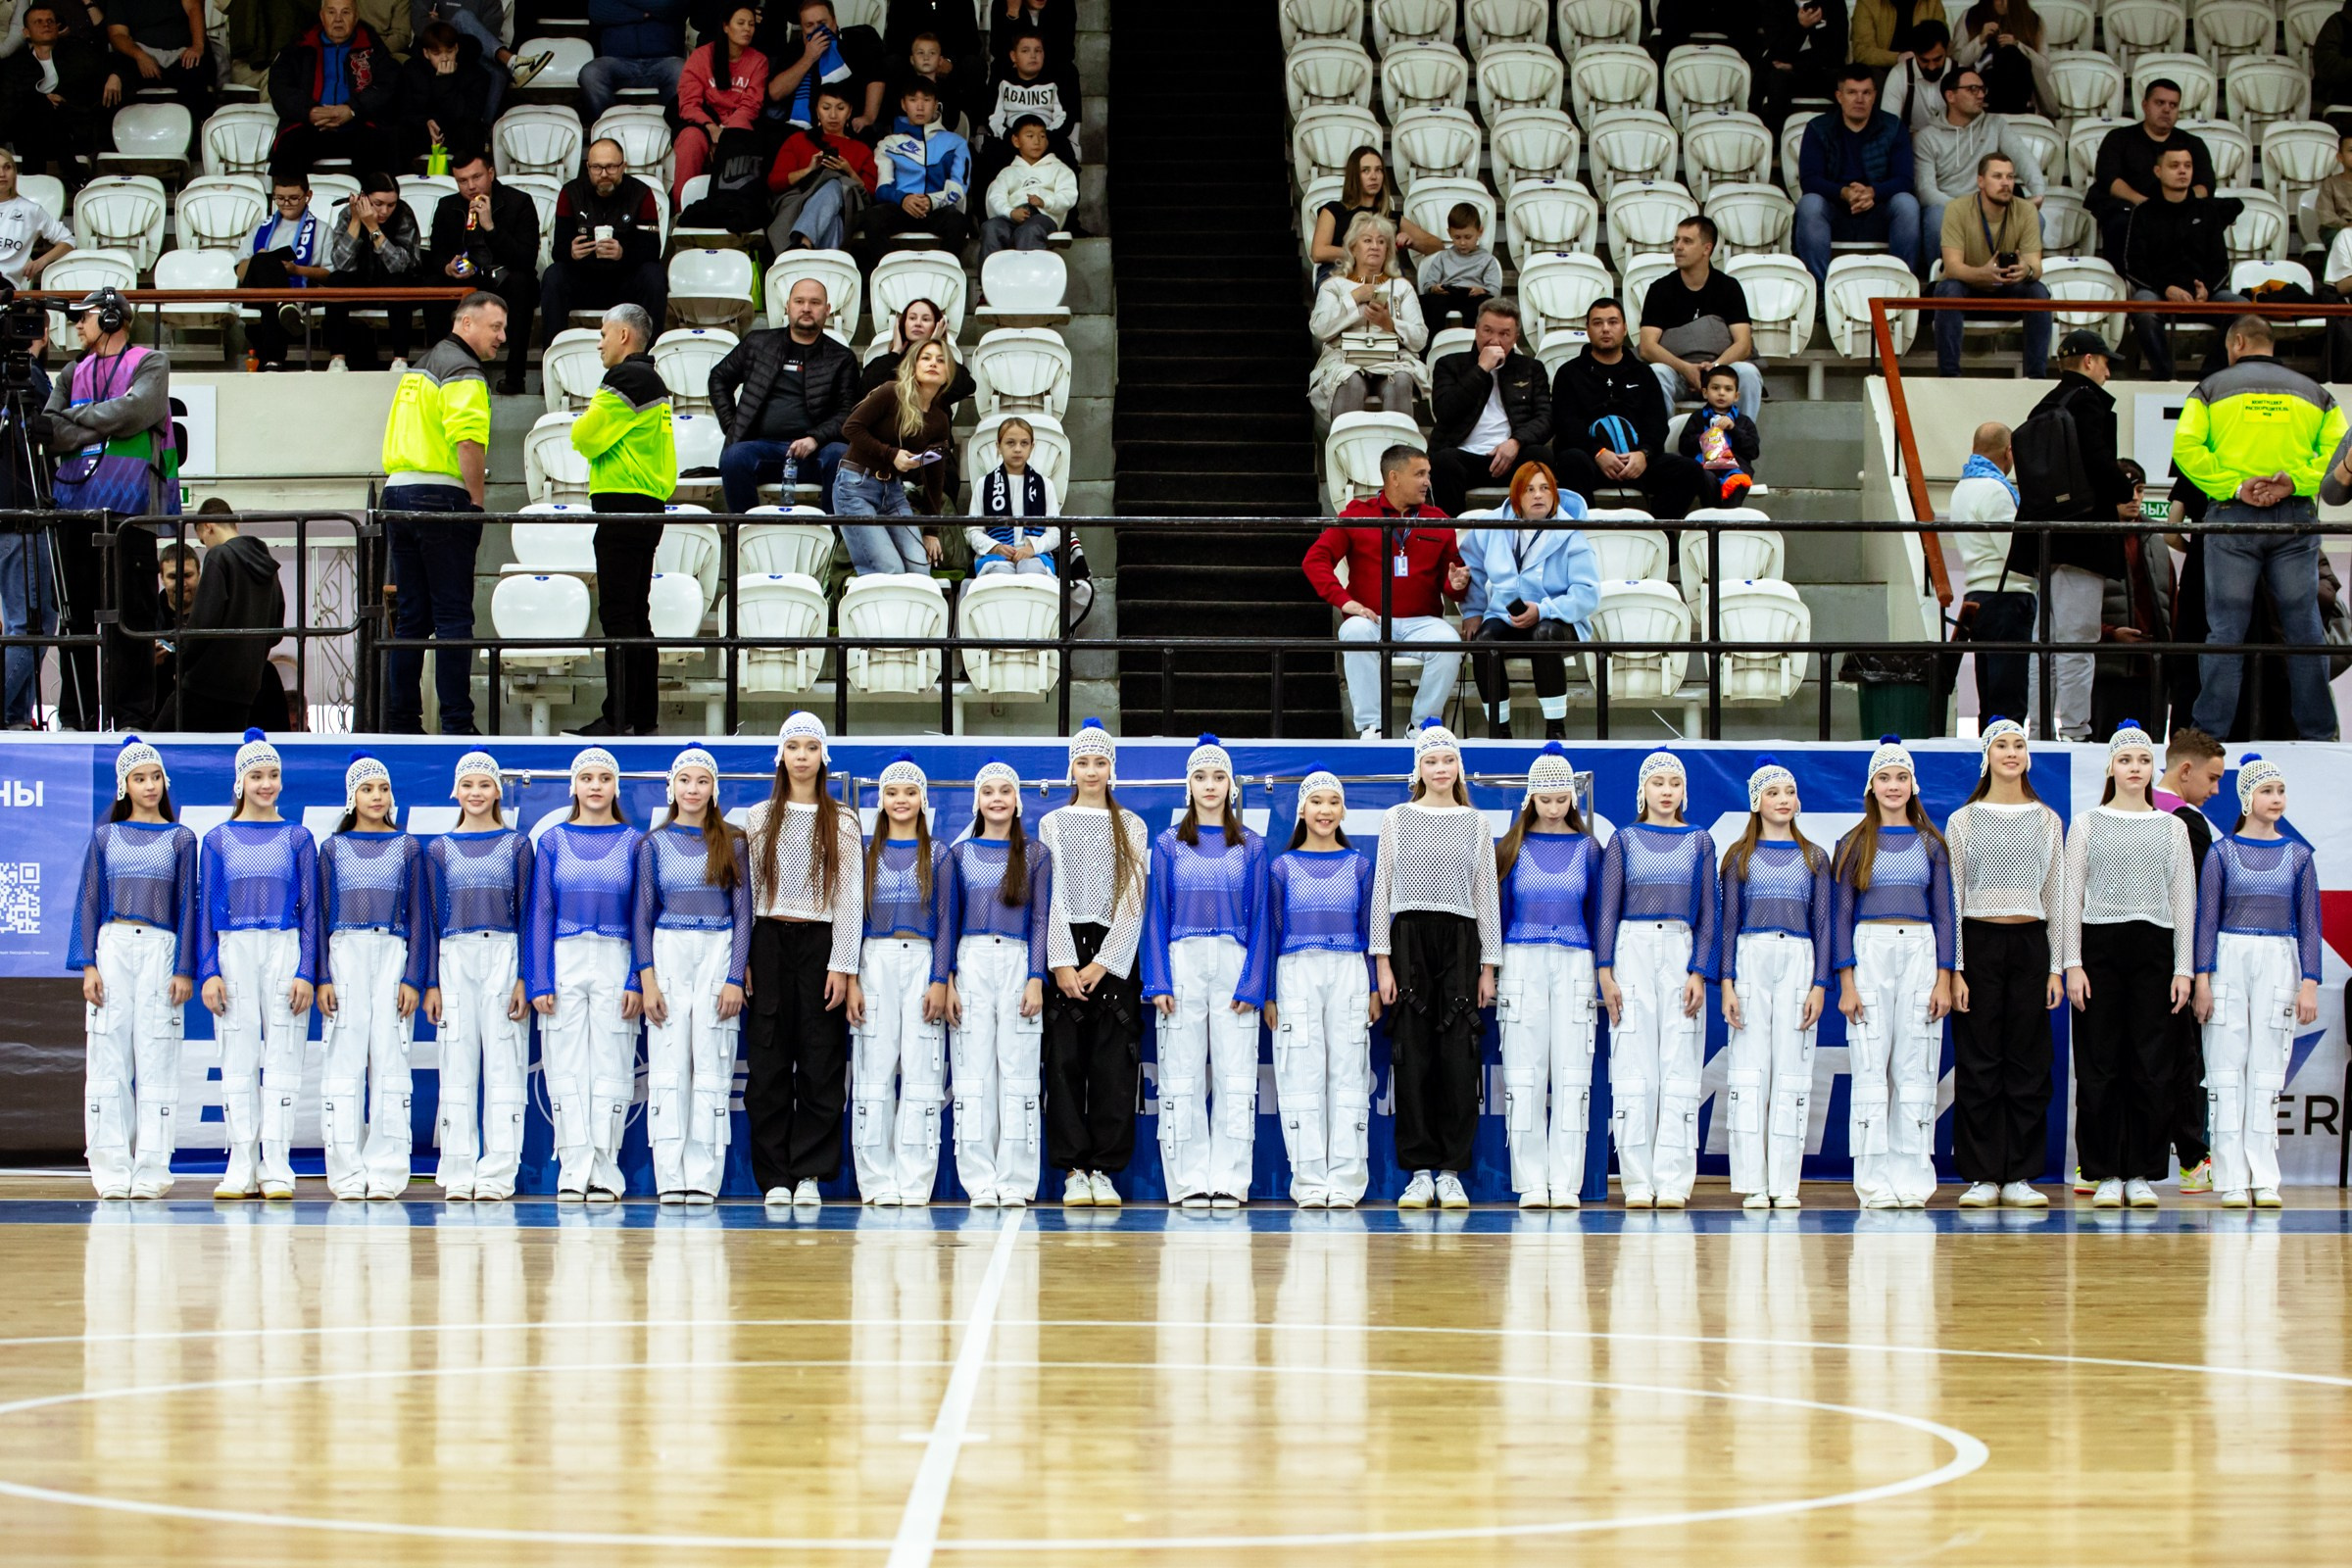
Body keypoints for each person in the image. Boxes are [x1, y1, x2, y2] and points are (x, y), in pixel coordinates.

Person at [2179, 317, 2346, 741]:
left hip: (2232, 519)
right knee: (2304, 626)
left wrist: (2236, 486)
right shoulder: (2317, 394)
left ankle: (2209, 735)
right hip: (2295, 519)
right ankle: (2319, 734)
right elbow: (2338, 454)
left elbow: (2187, 449)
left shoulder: (2210, 390)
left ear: (2237, 341)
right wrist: (2294, 481)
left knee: (2226, 630)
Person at [2060, 720, 2197, 1209]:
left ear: (2153, 768)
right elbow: (2069, 895)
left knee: (2152, 1063)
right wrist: (2071, 963)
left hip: (2154, 951)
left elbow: (2184, 901)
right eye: (2125, 760)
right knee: (2098, 1063)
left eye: (2142, 760)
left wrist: (2183, 968)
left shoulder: (2173, 827)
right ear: (2111, 767)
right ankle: (2101, 1171)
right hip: (2098, 947)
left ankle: (2140, 1171)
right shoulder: (2088, 823)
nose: (2134, 768)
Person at [1375, 719, 1501, 1210]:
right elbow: (1382, 891)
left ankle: (1451, 1172)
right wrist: (1383, 962)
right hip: (1407, 941)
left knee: (1458, 1058)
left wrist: (1487, 966)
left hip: (1461, 941)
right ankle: (1419, 1172)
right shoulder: (1397, 818)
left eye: (1448, 759)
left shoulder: (1475, 823)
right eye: (1431, 760)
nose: (1440, 768)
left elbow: (1485, 896)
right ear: (1419, 768)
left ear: (1459, 767)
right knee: (1412, 1058)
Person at [1140, 736, 1270, 1209]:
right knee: (1181, 1074)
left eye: (1218, 777)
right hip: (1182, 960)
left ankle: (1232, 1180)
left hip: (1234, 961)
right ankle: (1189, 1179)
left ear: (1231, 786)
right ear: (1188, 786)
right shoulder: (1168, 844)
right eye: (1201, 777)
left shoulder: (1252, 846)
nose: (1209, 786)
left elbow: (1260, 920)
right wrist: (1158, 980)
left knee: (1237, 1075)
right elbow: (1154, 914)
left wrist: (1254, 983)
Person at [744, 712, 864, 1206]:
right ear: (781, 755)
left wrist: (843, 964)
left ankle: (811, 1172)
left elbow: (851, 897)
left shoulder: (844, 820)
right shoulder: (757, 817)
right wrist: (744, 957)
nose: (801, 756)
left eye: (810, 747)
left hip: (821, 943)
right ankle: (775, 1176)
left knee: (820, 1061)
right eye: (792, 746)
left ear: (823, 757)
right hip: (769, 940)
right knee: (769, 1063)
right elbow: (748, 893)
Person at [69, 738, 197, 1200]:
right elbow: (89, 900)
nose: (148, 786)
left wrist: (184, 967)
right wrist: (87, 965)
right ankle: (110, 1168)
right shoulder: (105, 837)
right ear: (124, 786)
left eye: (154, 777)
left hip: (161, 948)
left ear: (165, 782)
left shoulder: (182, 838)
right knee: (108, 1059)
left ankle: (152, 1168)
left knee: (158, 1055)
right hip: (114, 945)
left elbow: (187, 906)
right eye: (138, 778)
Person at [1246, 766, 1378, 1209]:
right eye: (1316, 802)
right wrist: (1267, 994)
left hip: (1348, 972)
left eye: (1333, 802)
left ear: (1343, 810)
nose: (1325, 811)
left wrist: (1375, 986)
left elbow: (1370, 932)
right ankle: (1308, 1179)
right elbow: (1272, 931)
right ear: (1302, 809)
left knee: (1349, 1074)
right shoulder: (1281, 867)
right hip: (1295, 971)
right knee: (1300, 1074)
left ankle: (1346, 1177)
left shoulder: (1359, 865)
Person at [1943, 719, 2063, 1209]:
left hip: (2031, 943)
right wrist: (1956, 968)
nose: (2010, 752)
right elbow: (1952, 897)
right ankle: (1983, 1174)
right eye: (2001, 745)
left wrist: (2056, 966)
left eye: (2019, 745)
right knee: (1979, 1060)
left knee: (2028, 1061)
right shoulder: (1963, 820)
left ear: (2028, 756)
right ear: (1986, 756)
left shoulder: (2046, 819)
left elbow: (2055, 894)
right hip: (1978, 940)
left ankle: (2020, 1175)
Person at [195, 730, 319, 1200]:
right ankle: (240, 1165)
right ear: (239, 781)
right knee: (237, 1058)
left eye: (272, 775)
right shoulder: (218, 840)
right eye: (256, 775)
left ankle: (277, 1165)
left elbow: (310, 910)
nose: (265, 784)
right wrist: (209, 970)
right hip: (234, 951)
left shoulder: (297, 837)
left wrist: (307, 970)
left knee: (284, 1057)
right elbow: (206, 910)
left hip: (284, 948)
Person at [1832, 735, 1954, 1208]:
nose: (1893, 786)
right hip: (1869, 951)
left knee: (1916, 1067)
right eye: (1885, 777)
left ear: (1913, 784)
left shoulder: (1931, 842)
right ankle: (1874, 1180)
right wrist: (1846, 980)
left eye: (1901, 777)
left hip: (1920, 951)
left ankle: (1914, 1177)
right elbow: (1841, 916)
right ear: (1871, 785)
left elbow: (1944, 915)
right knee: (1870, 1066)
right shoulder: (1853, 843)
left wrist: (1944, 977)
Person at [2191, 754, 2319, 1208]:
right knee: (2226, 1071)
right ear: (2247, 798)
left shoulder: (2298, 857)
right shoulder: (2222, 854)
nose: (2276, 799)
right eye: (2267, 791)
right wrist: (2202, 979)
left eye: (2280, 791)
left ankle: (2264, 1177)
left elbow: (2309, 924)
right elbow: (2205, 920)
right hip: (2229, 957)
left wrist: (2309, 982)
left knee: (2267, 1073)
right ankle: (2229, 1178)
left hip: (2279, 959)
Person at [46, 285, 175, 731]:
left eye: (84, 317)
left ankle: (132, 719)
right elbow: (50, 430)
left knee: (132, 621)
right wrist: (106, 417)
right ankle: (76, 718)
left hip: (131, 514)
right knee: (76, 621)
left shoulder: (150, 362)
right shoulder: (68, 372)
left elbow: (138, 411)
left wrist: (80, 418)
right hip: (74, 511)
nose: (76, 325)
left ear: (109, 319)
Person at [1594, 751, 1719, 1208]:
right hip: (1632, 949)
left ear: (1684, 791)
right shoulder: (1623, 840)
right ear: (1642, 790)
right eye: (1658, 783)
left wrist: (1699, 971)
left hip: (1681, 950)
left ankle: (1673, 1181)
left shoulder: (1700, 841)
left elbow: (1709, 914)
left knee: (1680, 1069)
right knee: (1634, 1069)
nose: (1666, 791)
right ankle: (1636, 1181)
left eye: (1674, 783)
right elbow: (1607, 908)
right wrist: (1605, 971)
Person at [379, 289, 504, 736]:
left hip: (397, 493)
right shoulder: (464, 371)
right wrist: (476, 504)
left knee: (411, 617)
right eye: (495, 327)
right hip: (441, 496)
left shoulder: (421, 366)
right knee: (453, 617)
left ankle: (401, 722)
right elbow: (469, 440)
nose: (503, 337)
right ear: (465, 323)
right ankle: (457, 723)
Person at [1037, 718, 1151, 1207]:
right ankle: (1073, 1170)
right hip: (1065, 948)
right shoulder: (1052, 824)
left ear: (1112, 769)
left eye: (1099, 762)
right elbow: (1052, 895)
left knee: (1112, 1066)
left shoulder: (1132, 826)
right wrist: (1062, 963)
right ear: (1071, 769)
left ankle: (1103, 1168)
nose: (1091, 771)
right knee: (1063, 1063)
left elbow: (1133, 899)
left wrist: (1104, 963)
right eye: (1082, 762)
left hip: (1114, 957)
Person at [633, 747, 752, 1203]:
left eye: (702, 781)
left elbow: (744, 915)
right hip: (668, 954)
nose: (693, 790)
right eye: (685, 781)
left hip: (718, 952)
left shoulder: (734, 841)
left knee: (712, 1066)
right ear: (672, 788)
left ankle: (703, 1176)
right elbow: (643, 915)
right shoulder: (653, 844)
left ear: (714, 789)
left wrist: (735, 977)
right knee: (668, 1068)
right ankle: (670, 1176)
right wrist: (647, 980)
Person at [524, 748, 643, 1200]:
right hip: (564, 958)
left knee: (613, 1065)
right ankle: (573, 1167)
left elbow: (641, 916)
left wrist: (636, 977)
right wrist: (539, 979)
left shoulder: (634, 842)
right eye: (587, 778)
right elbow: (540, 912)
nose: (595, 786)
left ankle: (606, 1169)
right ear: (574, 786)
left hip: (616, 956)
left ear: (616, 787)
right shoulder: (552, 841)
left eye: (604, 778)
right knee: (565, 1067)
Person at [1715, 758, 1831, 1209]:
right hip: (1750, 958)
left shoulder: (1814, 856)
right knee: (1749, 1069)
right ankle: (1753, 1183)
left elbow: (1823, 925)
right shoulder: (1739, 857)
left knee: (1792, 1071)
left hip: (1799, 958)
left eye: (1789, 792)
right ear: (1756, 802)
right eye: (1773, 793)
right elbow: (1728, 926)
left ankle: (1785, 1183)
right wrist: (1726, 983)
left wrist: (1820, 983)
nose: (1783, 800)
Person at [315, 754, 431, 1201]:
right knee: (343, 1063)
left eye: (382, 789)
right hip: (345, 953)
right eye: (367, 789)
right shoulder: (333, 849)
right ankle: (345, 1171)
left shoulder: (408, 847)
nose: (376, 797)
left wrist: (413, 979)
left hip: (392, 954)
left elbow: (420, 916)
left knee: (391, 1062)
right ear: (352, 797)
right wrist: (323, 976)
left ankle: (386, 1169)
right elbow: (321, 916)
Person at [1491, 743, 1602, 1209]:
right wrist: (1491, 971)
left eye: (1562, 799)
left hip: (1576, 961)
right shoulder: (1509, 849)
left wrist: (1602, 972)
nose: (1554, 808)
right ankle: (1532, 1181)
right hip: (1521, 962)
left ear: (1573, 800)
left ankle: (1566, 1183)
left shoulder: (1588, 848)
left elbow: (1598, 914)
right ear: (1530, 799)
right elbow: (1496, 915)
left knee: (1573, 1074)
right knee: (1524, 1074)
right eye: (1545, 799)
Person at [2013, 329, 2135, 741]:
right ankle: (2078, 730)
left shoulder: (2044, 404)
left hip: (2042, 537)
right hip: (2083, 536)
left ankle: (2040, 726)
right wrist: (2123, 488)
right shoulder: (2088, 402)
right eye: (2104, 362)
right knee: (2078, 640)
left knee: (2043, 640)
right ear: (2088, 361)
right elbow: (2099, 463)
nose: (2107, 372)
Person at [421, 750, 533, 1201]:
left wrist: (525, 977)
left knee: (505, 1066)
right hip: (454, 955)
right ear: (456, 791)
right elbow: (429, 920)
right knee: (457, 1065)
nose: (476, 793)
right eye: (467, 785)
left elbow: (528, 915)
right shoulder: (438, 849)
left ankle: (498, 1172)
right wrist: (430, 982)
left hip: (503, 952)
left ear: (497, 791)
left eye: (484, 785)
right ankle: (459, 1168)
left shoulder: (516, 846)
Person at [1301, 444, 1468, 741]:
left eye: (1428, 474)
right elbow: (1315, 560)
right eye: (1420, 474)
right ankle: (1371, 728)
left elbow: (1451, 581)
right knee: (1353, 631)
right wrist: (1345, 601)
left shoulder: (1438, 519)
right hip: (1373, 619)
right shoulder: (1358, 515)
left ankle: (1422, 728)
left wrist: (1455, 585)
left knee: (1449, 642)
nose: (1427, 481)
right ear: (1394, 477)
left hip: (1423, 621)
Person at [943, 758, 1053, 1207]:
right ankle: (979, 1180)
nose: (997, 799)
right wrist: (945, 978)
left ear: (1017, 800)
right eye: (988, 792)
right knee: (972, 1076)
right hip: (970, 963)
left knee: (1020, 1075)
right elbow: (947, 922)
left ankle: (1017, 1180)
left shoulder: (1037, 854)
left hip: (1018, 960)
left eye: (1004, 791)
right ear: (977, 801)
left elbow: (1043, 918)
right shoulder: (959, 854)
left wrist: (1036, 977)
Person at [848, 758, 955, 1206]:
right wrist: (851, 977)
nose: (901, 800)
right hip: (874, 961)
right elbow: (851, 919)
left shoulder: (941, 855)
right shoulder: (864, 852)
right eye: (893, 793)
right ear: (881, 800)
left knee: (924, 1075)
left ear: (923, 800)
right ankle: (875, 1181)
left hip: (923, 962)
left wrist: (939, 979)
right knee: (872, 1073)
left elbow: (948, 922)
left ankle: (914, 1181)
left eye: (910, 792)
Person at [570, 303, 676, 738]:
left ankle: (618, 717)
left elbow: (584, 436)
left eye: (602, 332)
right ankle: (639, 716)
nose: (598, 342)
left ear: (624, 336)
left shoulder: (627, 378)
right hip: (644, 506)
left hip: (624, 507)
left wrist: (584, 423)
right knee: (636, 615)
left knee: (618, 615)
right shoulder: (649, 378)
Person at [1456, 462, 1596, 741]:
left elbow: (1586, 593)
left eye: (1545, 488)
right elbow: (1470, 567)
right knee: (1483, 642)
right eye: (1530, 489)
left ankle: (1556, 729)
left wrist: (1544, 609)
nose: (1538, 496)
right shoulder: (1490, 526)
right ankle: (1499, 729)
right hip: (1505, 614)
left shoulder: (1572, 534)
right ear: (1516, 496)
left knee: (1543, 634)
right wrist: (1472, 611)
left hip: (1557, 618)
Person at [711, 277, 860, 513]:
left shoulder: (841, 358)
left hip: (815, 452)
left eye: (815, 302)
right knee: (734, 457)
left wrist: (815, 439)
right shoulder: (757, 343)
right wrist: (732, 426)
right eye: (799, 301)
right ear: (787, 306)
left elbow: (848, 412)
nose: (806, 308)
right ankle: (747, 534)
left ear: (828, 310)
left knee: (841, 456)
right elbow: (719, 377)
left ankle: (830, 539)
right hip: (763, 447)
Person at [1549, 297, 1704, 515]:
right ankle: (1586, 537)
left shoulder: (1643, 373)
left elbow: (1657, 424)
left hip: (1637, 461)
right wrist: (1598, 452)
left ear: (1624, 328)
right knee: (1571, 461)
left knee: (1690, 471)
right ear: (1587, 329)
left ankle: (1655, 534)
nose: (1605, 329)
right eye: (1597, 323)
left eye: (1613, 322)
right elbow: (1566, 425)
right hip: (1591, 460)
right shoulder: (1569, 373)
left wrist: (1644, 454)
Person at [2155, 725, 2223, 1194]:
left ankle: (2101, 1163)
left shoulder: (2115, 809)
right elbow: (2200, 906)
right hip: (2172, 960)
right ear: (2185, 771)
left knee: (2119, 1058)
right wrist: (2199, 971)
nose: (2216, 789)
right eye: (2213, 778)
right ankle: (2193, 1160)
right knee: (2182, 1058)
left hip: (2117, 956)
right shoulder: (2187, 821)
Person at [2122, 147, 2243, 382]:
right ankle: (2164, 374)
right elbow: (2133, 264)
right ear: (2158, 171)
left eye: (2187, 166)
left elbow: (2220, 263)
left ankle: (2211, 374)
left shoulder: (2207, 211)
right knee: (2143, 307)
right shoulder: (2143, 213)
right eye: (2174, 165)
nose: (2182, 171)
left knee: (2243, 309)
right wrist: (2165, 288)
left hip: (2204, 296)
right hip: (2158, 293)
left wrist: (2206, 289)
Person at [1914, 65, 2047, 276]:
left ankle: (2015, 276)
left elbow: (2024, 159)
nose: (1980, 95)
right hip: (1950, 206)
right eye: (1972, 89)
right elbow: (1925, 191)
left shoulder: (1995, 124)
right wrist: (1965, 209)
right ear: (1951, 96)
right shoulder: (1927, 137)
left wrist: (2039, 192)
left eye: (1982, 89)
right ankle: (1939, 278)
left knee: (2035, 217)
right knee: (1934, 217)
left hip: (1991, 205)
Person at [1794, 66, 1923, 285]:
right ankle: (1819, 291)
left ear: (1874, 96)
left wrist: (1873, 192)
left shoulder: (1893, 127)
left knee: (1907, 203)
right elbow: (1810, 179)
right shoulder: (1818, 128)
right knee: (1810, 204)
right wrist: (1843, 192)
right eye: (1852, 92)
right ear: (1839, 96)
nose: (1859, 99)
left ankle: (1904, 287)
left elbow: (1904, 179)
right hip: (1835, 210)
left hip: (1879, 208)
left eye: (1866, 92)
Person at [837, 337, 955, 573]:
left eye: (941, 361)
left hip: (893, 492)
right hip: (855, 486)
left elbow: (935, 475)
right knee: (890, 569)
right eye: (926, 358)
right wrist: (891, 454)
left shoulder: (939, 419)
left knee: (921, 568)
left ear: (948, 372)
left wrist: (932, 531)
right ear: (913, 365)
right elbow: (850, 428)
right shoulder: (892, 392)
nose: (933, 363)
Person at [1426, 298, 1553, 517]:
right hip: (1464, 455)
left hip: (1512, 455)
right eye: (1487, 331)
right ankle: (1452, 538)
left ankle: (1537, 532)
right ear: (1476, 330)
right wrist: (1481, 369)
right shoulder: (1449, 364)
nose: (1494, 340)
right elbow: (1445, 412)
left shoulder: (1531, 369)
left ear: (1516, 338)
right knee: (1443, 462)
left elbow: (1546, 418)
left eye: (1504, 334)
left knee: (1541, 456)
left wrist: (1516, 442)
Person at [425, 150, 538, 393]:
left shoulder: (519, 202)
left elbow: (526, 258)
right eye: (462, 181)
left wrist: (490, 227)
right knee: (434, 285)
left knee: (522, 283)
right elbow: (435, 254)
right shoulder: (447, 206)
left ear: (490, 172)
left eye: (476, 178)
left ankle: (515, 377)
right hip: (467, 276)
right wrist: (447, 266)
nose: (470, 186)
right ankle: (440, 372)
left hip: (505, 275)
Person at [540, 138, 667, 349]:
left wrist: (623, 254)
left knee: (654, 276)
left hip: (625, 282)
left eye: (611, 167)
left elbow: (652, 250)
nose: (604, 174)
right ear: (588, 167)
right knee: (554, 275)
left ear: (623, 167)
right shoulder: (571, 193)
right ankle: (552, 357)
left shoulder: (641, 194)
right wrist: (571, 252)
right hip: (584, 280)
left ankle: (649, 358)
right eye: (597, 167)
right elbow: (558, 250)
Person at [1932, 151, 2049, 380]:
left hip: (2008, 288)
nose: (2005, 183)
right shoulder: (1957, 209)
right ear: (1981, 181)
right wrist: (1982, 274)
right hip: (1968, 286)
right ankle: (1949, 376)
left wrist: (2025, 270)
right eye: (1997, 176)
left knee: (2038, 291)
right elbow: (1952, 267)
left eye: (2010, 177)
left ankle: (2036, 378)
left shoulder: (2026, 210)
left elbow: (2036, 264)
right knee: (1947, 290)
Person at [168, 506, 285, 732]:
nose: (205, 546)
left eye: (202, 541)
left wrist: (182, 659)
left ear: (208, 527)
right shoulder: (268, 565)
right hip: (247, 686)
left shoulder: (219, 556)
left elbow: (203, 624)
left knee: (156, 747)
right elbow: (276, 628)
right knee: (224, 759)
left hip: (206, 682)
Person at [1641, 216, 1765, 420]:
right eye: (1676, 240)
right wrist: (1685, 368)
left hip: (1720, 372)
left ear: (1707, 248)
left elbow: (1743, 344)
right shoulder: (1660, 290)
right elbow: (1647, 347)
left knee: (1748, 373)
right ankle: (1661, 447)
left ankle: (1740, 442)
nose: (1678, 247)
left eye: (1687, 241)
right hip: (1677, 372)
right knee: (1656, 373)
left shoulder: (1729, 288)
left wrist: (1715, 368)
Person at [1308, 214, 1429, 424]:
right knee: (1350, 382)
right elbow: (1320, 329)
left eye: (1381, 242)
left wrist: (1389, 324)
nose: (1375, 246)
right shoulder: (1333, 286)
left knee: (1401, 380)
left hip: (1392, 360)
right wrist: (1354, 298)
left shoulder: (1401, 287)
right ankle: (1346, 454)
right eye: (1367, 240)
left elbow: (1419, 339)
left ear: (1388, 251)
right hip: (1344, 359)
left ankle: (1398, 454)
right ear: (1353, 248)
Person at [1950, 420, 2032, 725]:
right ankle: (2006, 763)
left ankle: (1988, 761)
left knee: (1989, 691)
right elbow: (2013, 551)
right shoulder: (1996, 490)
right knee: (2009, 697)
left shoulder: (1962, 488)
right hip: (2008, 598)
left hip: (1978, 597)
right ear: (2009, 451)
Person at [267, 0, 398, 178]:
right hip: (310, 125)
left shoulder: (372, 46)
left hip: (358, 124)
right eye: (331, 12)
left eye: (345, 12)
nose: (338, 19)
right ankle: (290, 206)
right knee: (289, 149)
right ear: (322, 16)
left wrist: (352, 109)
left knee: (378, 148)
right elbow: (280, 86)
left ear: (356, 16)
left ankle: (369, 206)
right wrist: (309, 111)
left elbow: (388, 85)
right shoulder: (300, 45)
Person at [0, 317, 56, 734]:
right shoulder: (28, 376)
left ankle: (15, 717)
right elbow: (51, 429)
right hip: (22, 513)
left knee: (26, 620)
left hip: (11, 515)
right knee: (34, 623)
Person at [2089, 79, 2215, 264]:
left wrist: (2179, 205)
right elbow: (2109, 178)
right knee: (2118, 221)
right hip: (2132, 209)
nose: (2166, 109)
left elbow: (2206, 184)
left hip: (2181, 211)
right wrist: (2146, 204)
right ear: (2145, 105)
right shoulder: (2119, 138)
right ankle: (2123, 285)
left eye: (2173, 105)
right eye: (2160, 103)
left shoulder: (2193, 144)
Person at [1, 5, 121, 183]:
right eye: (38, 22)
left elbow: (114, 62)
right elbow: (8, 103)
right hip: (29, 132)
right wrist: (41, 100)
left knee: (37, 112)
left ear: (57, 27)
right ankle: (71, 168)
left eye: (50, 21)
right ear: (26, 32)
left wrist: (115, 75)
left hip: (71, 128)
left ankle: (34, 182)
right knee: (36, 105)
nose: (46, 25)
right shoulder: (16, 64)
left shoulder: (79, 54)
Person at [858, 77, 971, 259]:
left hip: (937, 208)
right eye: (913, 100)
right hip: (901, 206)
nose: (920, 107)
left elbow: (959, 187)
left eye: (926, 100)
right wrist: (903, 199)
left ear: (936, 104)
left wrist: (931, 200)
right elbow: (882, 188)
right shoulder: (889, 143)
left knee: (958, 222)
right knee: (873, 218)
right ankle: (892, 272)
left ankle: (941, 274)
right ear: (903, 104)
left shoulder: (956, 143)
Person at [322, 171, 420, 372]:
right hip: (359, 282)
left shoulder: (403, 215)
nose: (385, 210)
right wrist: (357, 221)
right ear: (363, 199)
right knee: (336, 280)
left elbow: (400, 265)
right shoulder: (347, 214)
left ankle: (400, 360)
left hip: (393, 284)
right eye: (378, 204)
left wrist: (373, 227)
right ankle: (337, 360)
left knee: (399, 282)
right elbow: (341, 263)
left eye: (391, 204)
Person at [236, 170, 330, 371]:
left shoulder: (322, 229)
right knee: (263, 260)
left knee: (268, 273)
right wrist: (258, 259)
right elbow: (241, 273)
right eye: (280, 198)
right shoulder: (261, 227)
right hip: (257, 290)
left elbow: (329, 273)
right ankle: (285, 305)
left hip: (300, 291)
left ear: (308, 196)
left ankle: (273, 358)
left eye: (294, 198)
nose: (286, 203)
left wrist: (296, 270)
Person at [675, 5, 768, 206]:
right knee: (690, 139)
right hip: (704, 122)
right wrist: (711, 128)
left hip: (738, 124)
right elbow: (689, 104)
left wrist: (725, 135)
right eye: (741, 23)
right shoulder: (701, 56)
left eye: (751, 24)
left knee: (744, 140)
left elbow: (751, 105)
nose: (747, 29)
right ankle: (681, 209)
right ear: (726, 26)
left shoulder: (759, 61)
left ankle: (734, 207)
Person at [767, 82, 877, 252]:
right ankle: (824, 270)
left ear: (849, 111)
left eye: (840, 108)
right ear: (817, 110)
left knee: (834, 183)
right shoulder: (798, 140)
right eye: (826, 108)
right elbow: (775, 182)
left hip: (847, 209)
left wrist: (849, 171)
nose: (833, 115)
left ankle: (803, 244)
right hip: (800, 205)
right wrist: (809, 170)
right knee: (833, 222)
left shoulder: (861, 149)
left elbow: (870, 193)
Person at [1308, 146, 1437, 278]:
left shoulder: (1389, 216)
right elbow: (1318, 252)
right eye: (1365, 170)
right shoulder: (1334, 210)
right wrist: (1361, 254)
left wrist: (1412, 242)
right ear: (1354, 176)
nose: (1374, 176)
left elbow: (1436, 245)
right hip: (1338, 271)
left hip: (1380, 273)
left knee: (1397, 285)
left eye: (1378, 170)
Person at [763, 0, 886, 138]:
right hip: (800, 130)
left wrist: (868, 117)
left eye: (822, 23)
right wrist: (808, 58)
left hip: (848, 126)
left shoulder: (858, 39)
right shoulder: (794, 50)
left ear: (834, 21)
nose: (817, 29)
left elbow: (876, 77)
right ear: (802, 29)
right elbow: (775, 93)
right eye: (809, 25)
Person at [974, 30, 1078, 191]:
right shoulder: (1002, 83)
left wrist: (1045, 136)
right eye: (1025, 51)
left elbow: (1064, 118)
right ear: (1013, 56)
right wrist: (1011, 136)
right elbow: (993, 118)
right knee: (990, 157)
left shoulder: (1054, 84)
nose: (1033, 55)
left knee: (1066, 156)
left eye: (1038, 50)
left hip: (1046, 139)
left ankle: (1067, 214)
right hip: (1011, 139)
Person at [966, 416, 1059, 573]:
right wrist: (996, 547)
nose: (1017, 449)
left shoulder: (1045, 485)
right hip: (995, 558)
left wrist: (1031, 548)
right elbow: (973, 531)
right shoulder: (984, 484)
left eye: (1024, 443)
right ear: (998, 446)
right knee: (1000, 575)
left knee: (1032, 571)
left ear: (1032, 447)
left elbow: (1055, 532)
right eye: (1010, 442)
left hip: (1036, 556)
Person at [396, 23, 494, 169]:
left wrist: (444, 81)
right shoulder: (413, 69)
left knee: (471, 131)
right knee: (398, 133)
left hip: (457, 132)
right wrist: (426, 122)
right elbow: (404, 109)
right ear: (426, 53)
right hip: (422, 131)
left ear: (456, 48)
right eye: (437, 54)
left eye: (449, 52)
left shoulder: (476, 74)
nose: (444, 59)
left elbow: (468, 115)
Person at [979, 114, 1075, 261]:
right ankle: (989, 281)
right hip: (1012, 216)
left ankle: (1030, 280)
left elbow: (1068, 196)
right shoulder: (1008, 172)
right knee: (991, 228)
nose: (1037, 141)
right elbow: (995, 197)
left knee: (1030, 230)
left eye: (1042, 136)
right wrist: (1010, 212)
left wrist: (1045, 202)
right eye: (1030, 136)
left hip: (1043, 217)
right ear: (1016, 141)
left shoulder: (1059, 169)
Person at [580, 0, 689, 122]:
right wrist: (644, 13)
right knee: (591, 73)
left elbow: (668, 6)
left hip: (665, 61)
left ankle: (671, 130)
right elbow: (597, 11)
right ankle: (608, 131)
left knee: (681, 70)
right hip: (616, 61)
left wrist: (623, 8)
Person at [103, 0, 214, 121]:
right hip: (141, 53)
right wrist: (140, 56)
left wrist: (197, 46)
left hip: (182, 53)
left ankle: (195, 130)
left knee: (195, 73)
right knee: (114, 80)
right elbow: (117, 34)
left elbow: (194, 9)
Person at [1676, 366, 1762, 505]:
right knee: (1705, 477)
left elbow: (1753, 451)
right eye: (1715, 388)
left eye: (1728, 389)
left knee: (1737, 481)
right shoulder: (1697, 418)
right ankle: (1712, 519)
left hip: (1737, 467)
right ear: (1705, 392)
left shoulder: (1744, 421)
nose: (1721, 393)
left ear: (1736, 396)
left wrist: (1733, 429)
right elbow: (1684, 446)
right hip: (1705, 465)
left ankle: (1729, 521)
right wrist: (1706, 438)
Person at [1756, 0, 1847, 130]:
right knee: (1775, 78)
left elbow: (1838, 51)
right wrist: (1801, 27)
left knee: (1848, 83)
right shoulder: (1775, 4)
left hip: (1822, 69)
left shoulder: (1833, 3)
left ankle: (1841, 140)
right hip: (1785, 72)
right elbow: (1776, 51)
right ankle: (1776, 142)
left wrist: (1796, 65)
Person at [1953, 0, 2054, 117]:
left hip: (2020, 87)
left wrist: (2019, 46)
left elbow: (2044, 68)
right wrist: (1980, 40)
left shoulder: (2032, 20)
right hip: (1984, 86)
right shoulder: (1970, 16)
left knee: (2010, 54)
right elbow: (1958, 62)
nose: (2003, 2)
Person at [1415, 202, 1503, 335]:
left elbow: (1495, 290)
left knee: (1482, 305)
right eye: (1457, 237)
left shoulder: (1487, 260)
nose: (1462, 242)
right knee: (1427, 302)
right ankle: (1430, 344)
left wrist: (1482, 290)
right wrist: (1434, 288)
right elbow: (1428, 284)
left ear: (1480, 231)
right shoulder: (1443, 257)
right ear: (1449, 233)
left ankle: (1473, 343)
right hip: (1448, 293)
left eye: (1468, 237)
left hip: (1472, 295)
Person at [0, 147, 74, 286]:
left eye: (7, 167)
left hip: (6, 288)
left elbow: (68, 240)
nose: (2, 174)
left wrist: (41, 261)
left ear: (15, 173)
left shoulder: (30, 210)